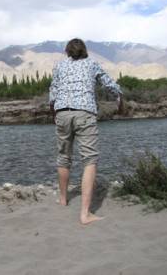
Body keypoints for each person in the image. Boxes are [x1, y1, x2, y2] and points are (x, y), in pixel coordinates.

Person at [49, 38, 124, 225]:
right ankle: (85, 214)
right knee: (89, 160)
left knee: (63, 157)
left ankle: (63, 199)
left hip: (62, 113)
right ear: (84, 50)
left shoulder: (59, 66)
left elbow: (53, 91)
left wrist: (55, 111)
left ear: (67, 51)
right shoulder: (91, 64)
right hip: (84, 113)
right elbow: (109, 83)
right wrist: (119, 96)